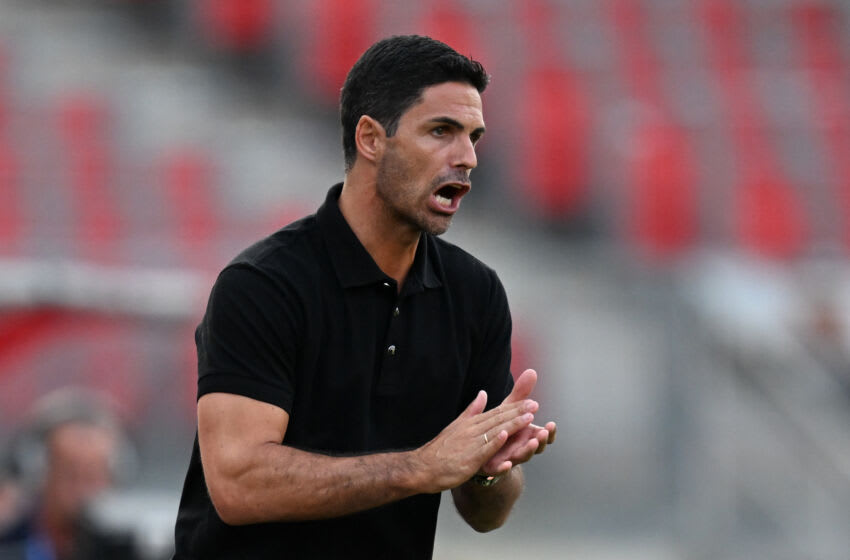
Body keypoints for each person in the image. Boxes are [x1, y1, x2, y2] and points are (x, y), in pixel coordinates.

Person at [172, 34, 557, 559]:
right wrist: (419, 468)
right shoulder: (263, 285)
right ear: (372, 139)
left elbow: (485, 516)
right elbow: (238, 485)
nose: (467, 157)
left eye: (473, 137)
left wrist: (489, 471)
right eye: (441, 131)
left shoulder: (475, 292)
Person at [0, 388, 124, 560]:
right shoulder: (8, 544)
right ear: (38, 473)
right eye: (71, 475)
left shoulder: (127, 549)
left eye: (93, 476)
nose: (83, 492)